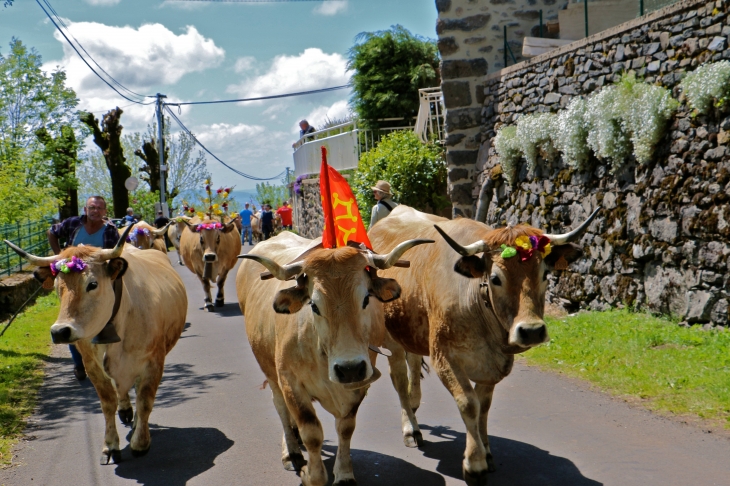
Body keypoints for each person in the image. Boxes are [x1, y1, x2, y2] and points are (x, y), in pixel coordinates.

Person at [47, 196, 120, 381]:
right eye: (92, 207)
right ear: (85, 209)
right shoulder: (73, 223)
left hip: (97, 278)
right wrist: (59, 256)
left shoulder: (110, 230)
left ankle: (107, 343)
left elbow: (116, 254)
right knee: (70, 316)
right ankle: (79, 363)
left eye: (99, 208)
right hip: (72, 277)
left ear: (105, 211)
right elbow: (52, 232)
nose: (95, 211)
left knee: (112, 306)